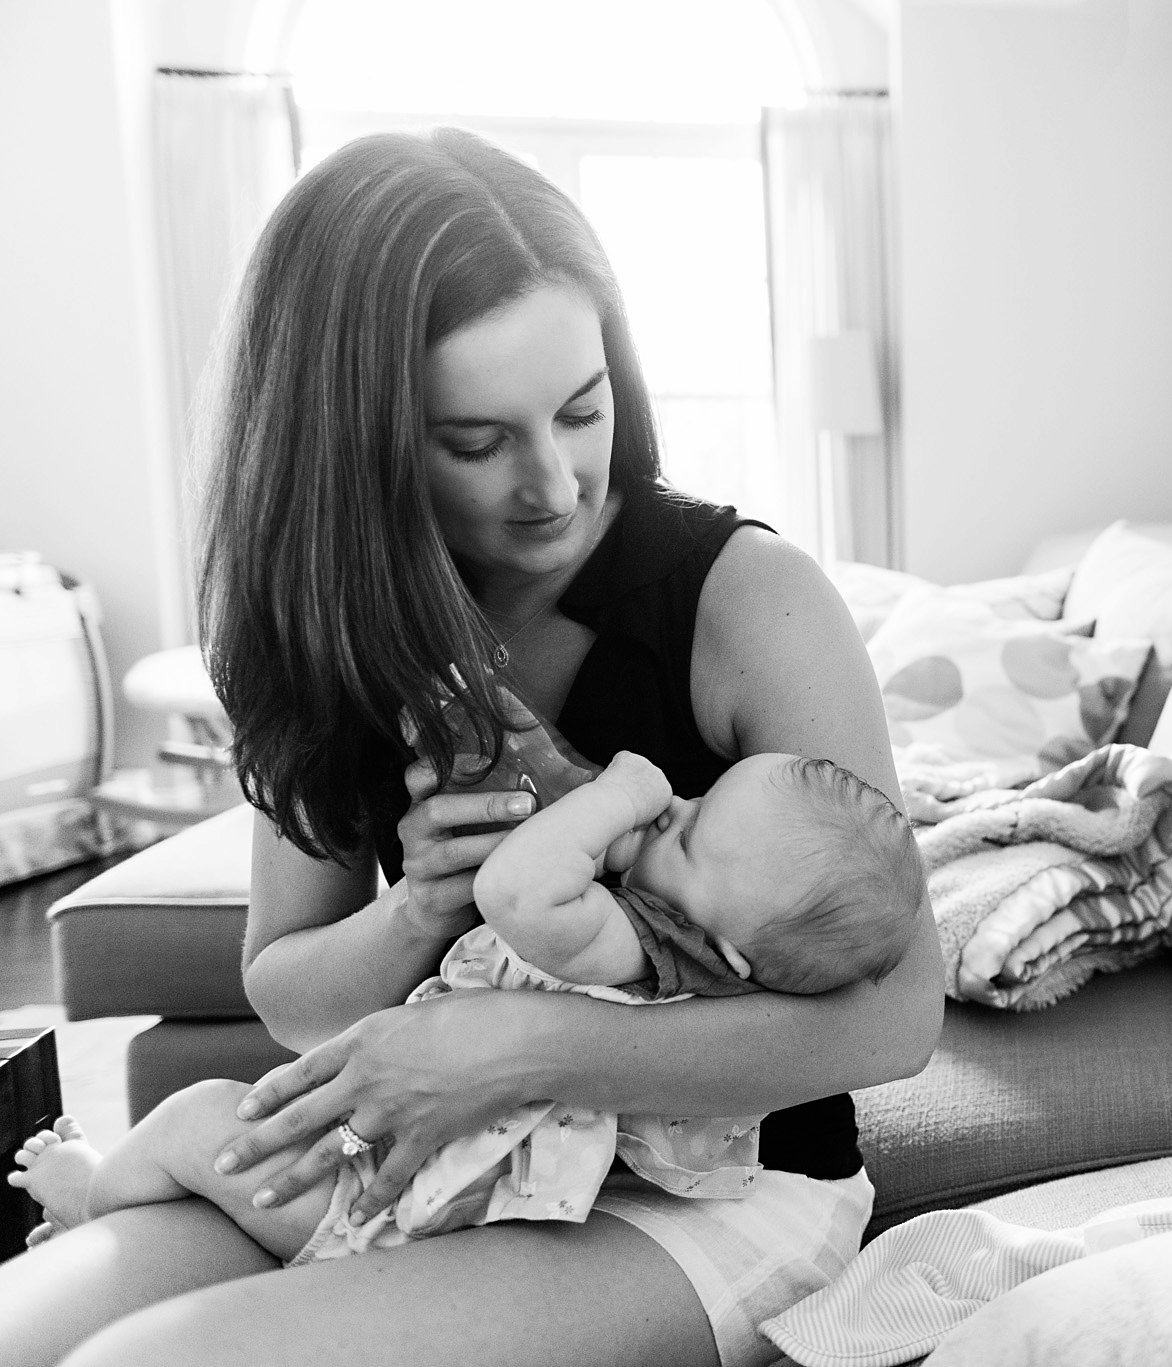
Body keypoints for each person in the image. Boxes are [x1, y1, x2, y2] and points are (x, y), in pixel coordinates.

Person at [0, 126, 942, 1367]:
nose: (555, 483)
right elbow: (286, 985)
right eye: (476, 440)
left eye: (581, 408)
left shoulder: (744, 599)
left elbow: (895, 1020)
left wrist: (507, 1048)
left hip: (704, 1196)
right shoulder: (328, 630)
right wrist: (415, 914)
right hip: (428, 1164)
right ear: (357, 448)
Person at [12, 749, 928, 1268]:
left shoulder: (640, 945)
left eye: (687, 832)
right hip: (443, 1190)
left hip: (408, 1203)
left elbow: (517, 891)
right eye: (686, 800)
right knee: (225, 1169)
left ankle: (90, 1191)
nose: (671, 808)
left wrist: (620, 793)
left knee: (198, 1120)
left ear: (727, 950)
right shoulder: (708, 959)